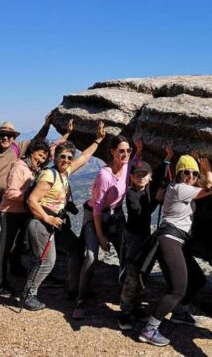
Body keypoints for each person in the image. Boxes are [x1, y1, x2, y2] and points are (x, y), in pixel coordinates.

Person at [20, 121, 106, 311]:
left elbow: (84, 157)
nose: (66, 160)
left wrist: (98, 141)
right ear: (55, 157)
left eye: (69, 157)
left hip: (57, 223)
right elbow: (32, 201)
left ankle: (73, 289)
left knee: (75, 250)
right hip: (42, 223)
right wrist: (47, 218)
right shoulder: (49, 175)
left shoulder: (64, 172)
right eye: (63, 157)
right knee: (46, 261)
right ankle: (27, 295)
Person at [139, 153, 212, 347]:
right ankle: (149, 329)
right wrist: (206, 168)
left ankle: (179, 313)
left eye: (194, 174)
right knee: (177, 290)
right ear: (179, 173)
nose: (190, 177)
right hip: (170, 240)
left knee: (197, 279)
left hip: (177, 241)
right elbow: (210, 188)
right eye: (186, 172)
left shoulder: (174, 187)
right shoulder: (180, 188)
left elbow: (159, 195)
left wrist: (197, 168)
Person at [0, 115, 55, 280]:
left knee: (15, 236)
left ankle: (15, 266)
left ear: (14, 137)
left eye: (9, 135)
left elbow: (38, 140)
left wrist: (47, 124)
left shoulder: (17, 148)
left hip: (8, 201)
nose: (6, 138)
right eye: (2, 134)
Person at [73, 134, 142, 320]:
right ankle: (81, 299)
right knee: (90, 256)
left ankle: (127, 298)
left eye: (128, 150)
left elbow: (135, 160)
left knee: (126, 254)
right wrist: (101, 236)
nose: (126, 154)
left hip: (116, 215)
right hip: (96, 216)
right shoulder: (105, 175)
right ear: (112, 152)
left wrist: (139, 148)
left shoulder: (128, 166)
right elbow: (96, 209)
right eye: (121, 151)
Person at [118, 141, 173, 330]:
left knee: (142, 273)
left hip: (142, 236)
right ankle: (124, 312)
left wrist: (167, 159)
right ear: (131, 178)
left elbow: (158, 177)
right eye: (137, 175)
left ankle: (135, 307)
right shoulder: (131, 194)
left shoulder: (147, 187)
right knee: (132, 274)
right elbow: (141, 213)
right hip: (134, 238)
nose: (141, 177)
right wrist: (157, 201)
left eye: (144, 175)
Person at [0, 138, 51, 298]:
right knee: (6, 247)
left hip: (23, 212)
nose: (40, 159)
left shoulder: (33, 169)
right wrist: (30, 196)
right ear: (31, 152)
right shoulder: (20, 168)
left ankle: (15, 269)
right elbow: (10, 192)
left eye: (43, 158)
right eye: (39, 155)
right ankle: (1, 283)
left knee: (20, 244)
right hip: (10, 212)